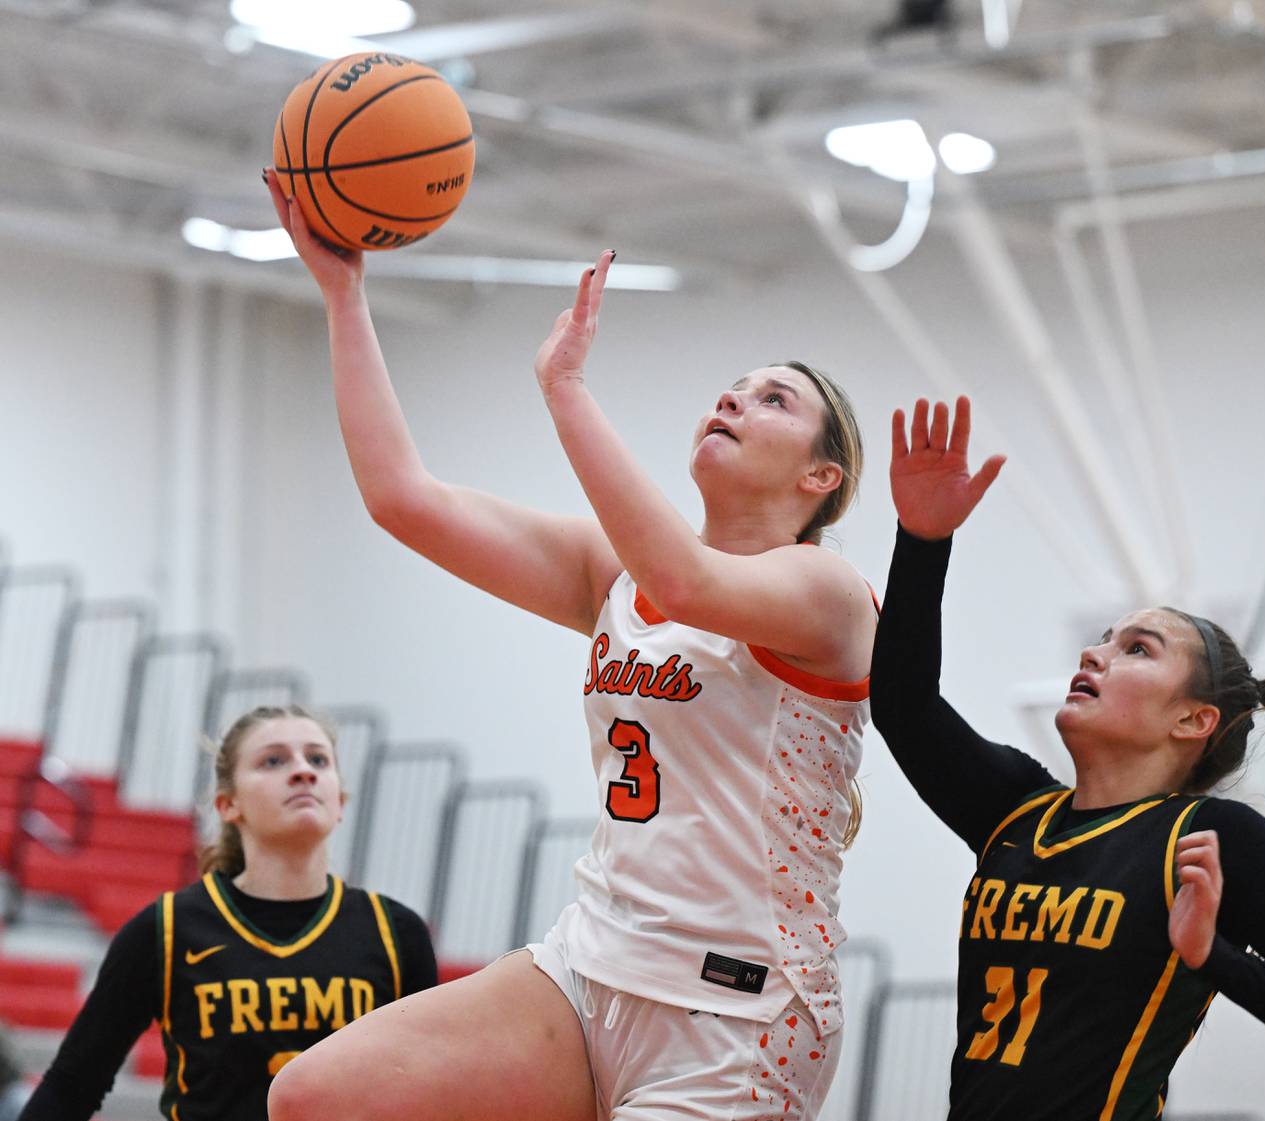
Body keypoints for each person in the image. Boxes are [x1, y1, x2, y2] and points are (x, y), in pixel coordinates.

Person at [260, 170, 875, 1121]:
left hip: (739, 1012)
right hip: (588, 964)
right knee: (315, 1096)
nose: (736, 399)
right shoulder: (614, 572)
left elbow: (691, 585)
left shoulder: (826, 591)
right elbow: (403, 498)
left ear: (819, 476)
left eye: (775, 401)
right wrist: (345, 293)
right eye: (734, 388)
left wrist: (565, 389)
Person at [871, 397, 1265, 1121]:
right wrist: (923, 539)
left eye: (1137, 649)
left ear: (1194, 718)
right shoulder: (1017, 810)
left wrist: (1213, 957)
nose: (1095, 652)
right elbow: (903, 704)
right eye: (1104, 636)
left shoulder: (1210, 839)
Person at [18, 704, 437, 1121]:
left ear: (340, 801)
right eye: (273, 760)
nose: (303, 771)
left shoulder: (395, 933)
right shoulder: (165, 930)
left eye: (318, 759)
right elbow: (72, 1085)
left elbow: (433, 1091)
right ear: (227, 805)